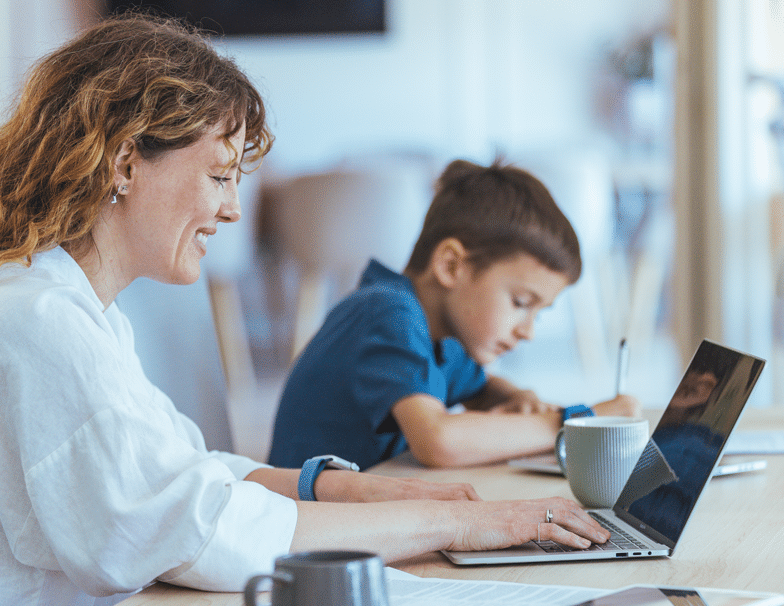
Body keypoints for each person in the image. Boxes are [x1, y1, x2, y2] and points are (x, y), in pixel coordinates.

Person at [0, 15, 609, 606]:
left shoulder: (68, 308)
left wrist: (347, 491)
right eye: (219, 176)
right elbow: (188, 533)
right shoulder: (32, 323)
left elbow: (179, 475)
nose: (230, 210)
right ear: (124, 162)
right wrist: (465, 528)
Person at [268, 159, 641, 471]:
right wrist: (575, 422)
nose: (527, 331)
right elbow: (439, 440)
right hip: (307, 533)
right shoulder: (388, 314)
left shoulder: (442, 338)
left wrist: (515, 395)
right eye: (521, 303)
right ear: (451, 265)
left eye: (538, 314)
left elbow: (480, 389)